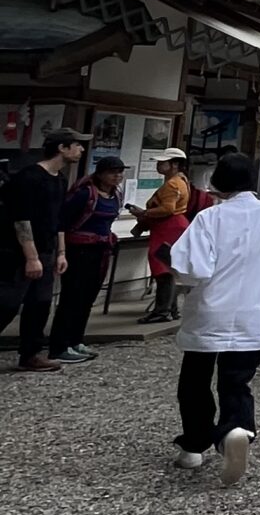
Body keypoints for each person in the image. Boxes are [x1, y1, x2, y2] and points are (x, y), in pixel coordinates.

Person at [168, 151, 260, 484]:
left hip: (210, 312)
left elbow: (192, 268)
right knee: (237, 382)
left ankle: (194, 446)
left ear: (218, 182)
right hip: (253, 312)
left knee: (195, 382)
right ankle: (235, 431)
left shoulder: (210, 218)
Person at [1, 126, 84, 374]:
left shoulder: (60, 179)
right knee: (7, 303)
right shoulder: (29, 177)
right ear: (62, 148)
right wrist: (32, 257)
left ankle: (31, 353)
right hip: (18, 252)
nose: (81, 149)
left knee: (40, 304)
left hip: (48, 250)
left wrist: (61, 252)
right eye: (76, 145)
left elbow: (59, 219)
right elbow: (21, 220)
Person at [49, 153, 127, 362]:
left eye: (120, 172)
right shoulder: (85, 194)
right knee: (71, 297)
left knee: (88, 298)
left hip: (101, 251)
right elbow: (62, 223)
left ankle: (76, 340)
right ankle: (59, 345)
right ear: (100, 174)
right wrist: (61, 252)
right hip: (79, 250)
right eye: (112, 172)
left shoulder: (116, 195)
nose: (117, 176)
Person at [133, 146, 193, 323]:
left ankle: (162, 310)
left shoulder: (172, 184)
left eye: (163, 162)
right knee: (169, 266)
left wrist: (145, 213)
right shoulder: (181, 180)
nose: (159, 165)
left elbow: (168, 208)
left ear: (175, 164)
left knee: (162, 267)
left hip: (168, 226)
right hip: (174, 225)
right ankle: (171, 309)